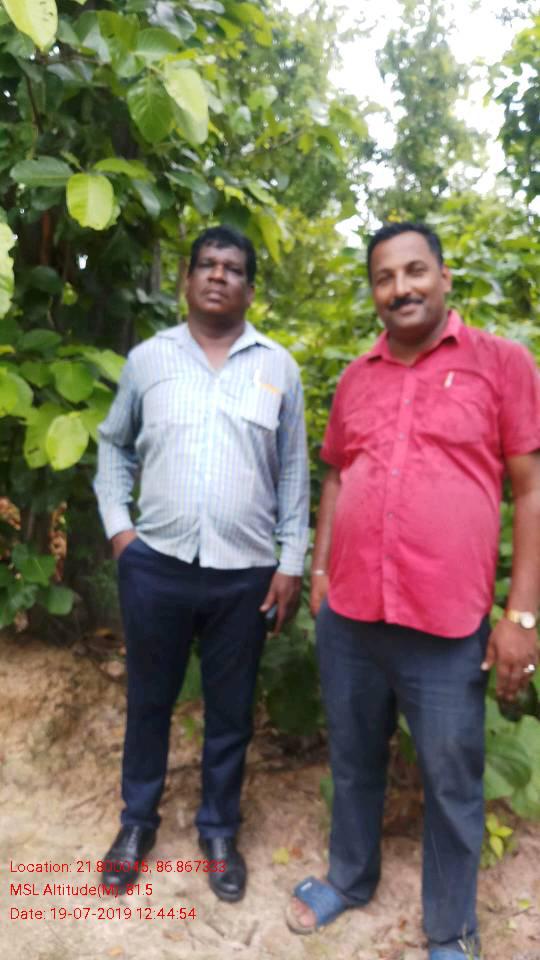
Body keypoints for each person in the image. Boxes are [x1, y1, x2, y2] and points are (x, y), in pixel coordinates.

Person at [287, 222, 540, 959]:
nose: (400, 288)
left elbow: (530, 490)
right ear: (374, 291)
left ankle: (451, 930)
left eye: (415, 271)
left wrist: (522, 614)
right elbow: (337, 475)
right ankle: (349, 878)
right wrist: (321, 572)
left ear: (444, 276)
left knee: (452, 779)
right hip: (352, 617)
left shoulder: (501, 363)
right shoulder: (357, 377)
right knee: (353, 760)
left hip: (446, 624)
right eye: (384, 277)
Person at [94, 225, 309, 902]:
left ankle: (218, 831)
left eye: (233, 268)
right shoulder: (149, 360)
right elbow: (113, 446)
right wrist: (121, 532)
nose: (219, 275)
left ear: (249, 287)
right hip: (156, 565)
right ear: (187, 280)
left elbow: (294, 472)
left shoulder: (278, 368)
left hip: (244, 574)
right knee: (148, 702)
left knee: (232, 712)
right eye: (207, 264)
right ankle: (136, 823)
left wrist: (291, 561)